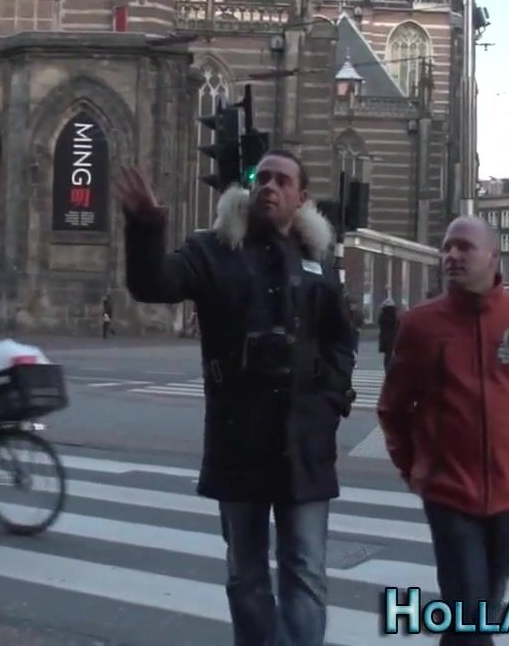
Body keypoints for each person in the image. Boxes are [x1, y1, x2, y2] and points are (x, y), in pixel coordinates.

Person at [115, 150, 356, 646]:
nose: (269, 186)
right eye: (261, 178)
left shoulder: (317, 259)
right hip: (239, 438)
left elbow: (341, 336)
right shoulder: (213, 249)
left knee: (305, 570)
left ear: (301, 198)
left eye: (282, 180)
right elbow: (152, 283)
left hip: (305, 443)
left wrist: (331, 396)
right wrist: (146, 225)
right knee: (246, 572)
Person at [376, 216, 509, 645]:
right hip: (450, 495)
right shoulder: (421, 324)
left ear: (493, 256)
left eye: (464, 247)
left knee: (485, 606)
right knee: (470, 609)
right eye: (447, 247)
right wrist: (415, 469)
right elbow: (393, 406)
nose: (452, 255)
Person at [377, 295, 399, 371]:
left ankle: (387, 368)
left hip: (385, 338)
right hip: (393, 337)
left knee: (387, 355)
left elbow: (380, 324)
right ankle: (391, 369)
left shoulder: (382, 315)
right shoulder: (394, 315)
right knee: (392, 354)